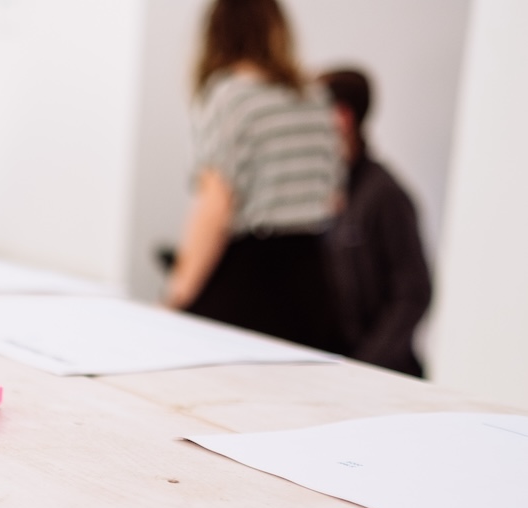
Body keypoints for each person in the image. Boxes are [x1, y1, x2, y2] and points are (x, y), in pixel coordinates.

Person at [165, 0, 346, 354]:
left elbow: (215, 205)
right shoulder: (316, 97)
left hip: (251, 280)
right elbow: (334, 197)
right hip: (314, 280)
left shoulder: (231, 95)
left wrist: (177, 293)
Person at [319, 68, 432, 377]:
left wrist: (363, 367)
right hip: (332, 374)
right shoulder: (326, 190)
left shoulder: (385, 196)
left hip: (382, 380)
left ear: (341, 117)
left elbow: (413, 294)